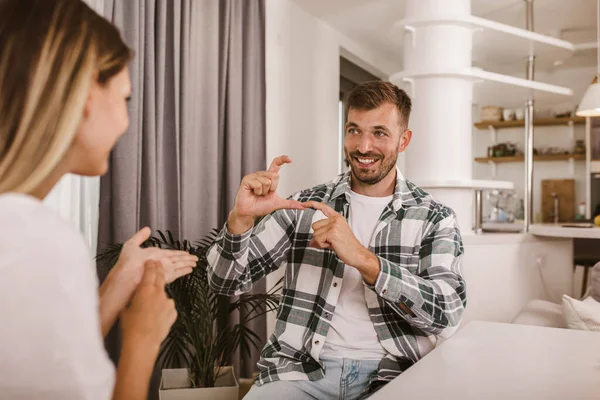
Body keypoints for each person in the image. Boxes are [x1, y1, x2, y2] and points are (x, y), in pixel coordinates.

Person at [207, 81, 467, 399]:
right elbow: (225, 282)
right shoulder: (304, 205)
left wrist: (363, 259)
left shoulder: (435, 218)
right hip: (300, 373)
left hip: (394, 375)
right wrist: (241, 221)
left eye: (380, 133)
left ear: (404, 140)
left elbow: (447, 313)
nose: (363, 146)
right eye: (354, 130)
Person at [0, 0, 198, 399]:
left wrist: (120, 280)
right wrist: (143, 337)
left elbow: (41, 369)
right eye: (124, 98)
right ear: (87, 91)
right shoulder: (37, 238)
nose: (126, 122)